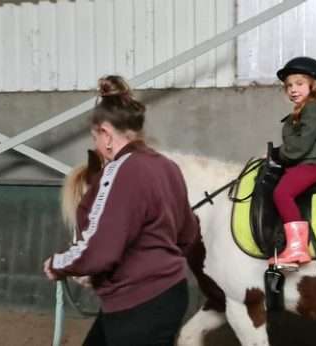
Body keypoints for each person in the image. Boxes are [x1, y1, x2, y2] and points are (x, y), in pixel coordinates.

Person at [43, 75, 199, 346]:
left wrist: (58, 264)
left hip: (138, 305)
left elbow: (99, 250)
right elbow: (188, 233)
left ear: (105, 133)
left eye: (95, 137)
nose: (95, 147)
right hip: (169, 294)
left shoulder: (118, 171)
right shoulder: (167, 167)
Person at [269, 57, 316, 267]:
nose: (293, 89)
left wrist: (278, 155)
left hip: (310, 164)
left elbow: (301, 145)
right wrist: (275, 153)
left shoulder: (312, 108)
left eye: (299, 84)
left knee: (282, 193)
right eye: (289, 86)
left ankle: (297, 249)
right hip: (302, 162)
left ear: (312, 85)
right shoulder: (301, 109)